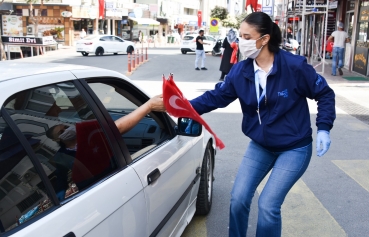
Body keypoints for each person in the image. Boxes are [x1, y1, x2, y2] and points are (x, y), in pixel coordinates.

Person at [186, 12, 335, 236]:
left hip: (294, 147)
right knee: (238, 199)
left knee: (267, 205)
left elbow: (325, 94)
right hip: (262, 145)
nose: (240, 42)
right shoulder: (241, 71)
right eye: (240, 35)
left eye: (246, 37)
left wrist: (324, 127)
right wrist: (180, 106)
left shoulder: (294, 67)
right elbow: (215, 98)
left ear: (264, 39)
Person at [46, 95, 165, 200]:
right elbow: (61, 176)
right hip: (95, 190)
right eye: (61, 132)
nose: (66, 130)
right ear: (56, 139)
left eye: (66, 127)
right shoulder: (60, 156)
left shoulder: (88, 135)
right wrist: (61, 190)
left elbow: (114, 130)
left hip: (117, 175)